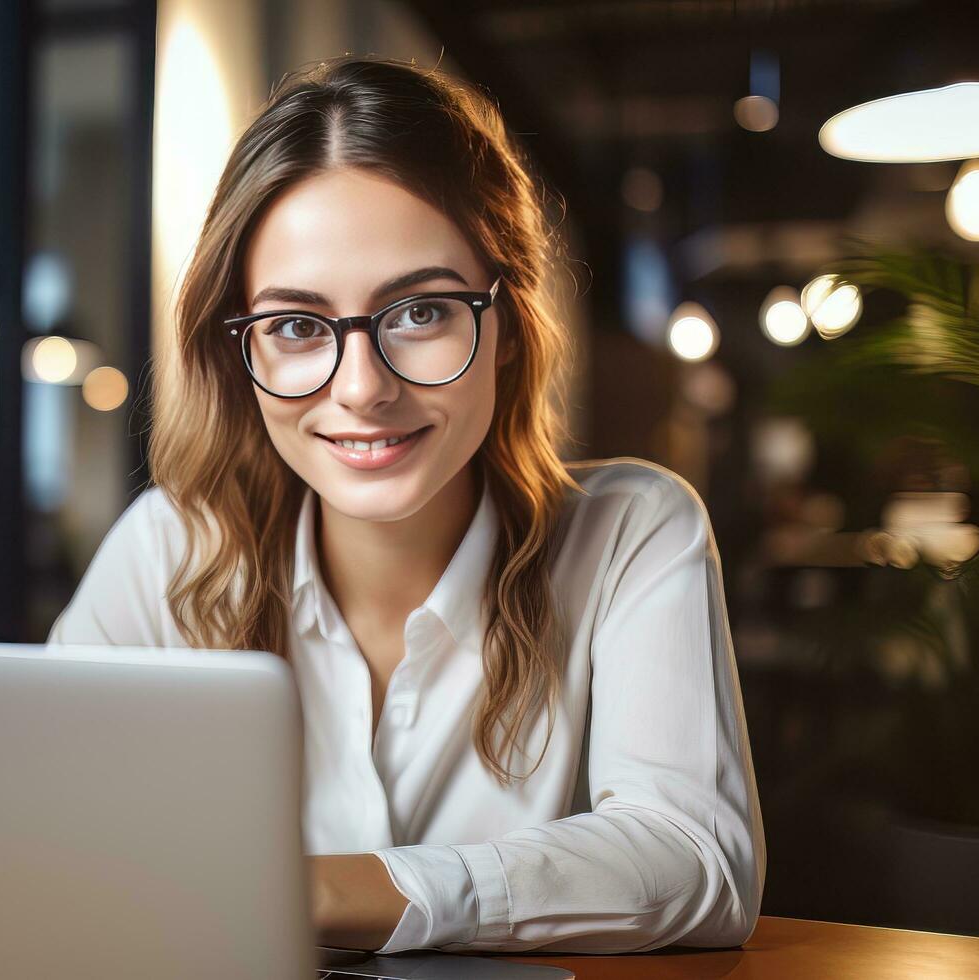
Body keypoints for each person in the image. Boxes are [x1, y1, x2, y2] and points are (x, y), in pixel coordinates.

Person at [47, 54, 764, 955]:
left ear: (505, 324)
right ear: (242, 352)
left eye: (421, 313)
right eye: (299, 327)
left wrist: (319, 892)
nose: (361, 389)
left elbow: (696, 860)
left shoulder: (631, 534)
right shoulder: (168, 552)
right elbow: (47, 844)